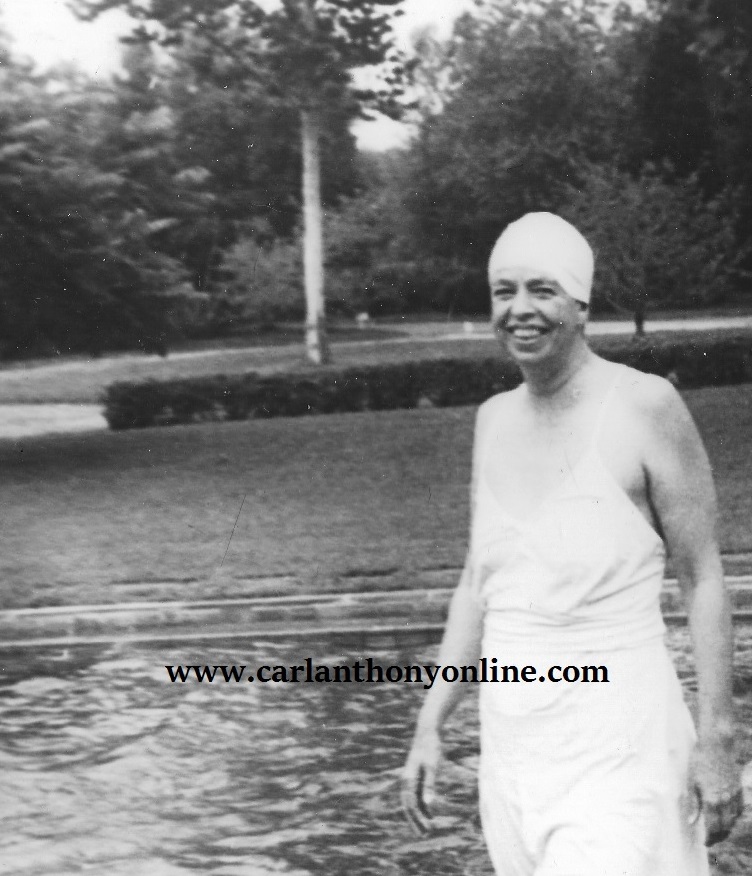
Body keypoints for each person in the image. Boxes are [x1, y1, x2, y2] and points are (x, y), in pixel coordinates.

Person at [401, 212, 743, 874]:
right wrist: (430, 723)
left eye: (542, 289)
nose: (519, 310)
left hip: (621, 746)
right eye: (504, 291)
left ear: (581, 304)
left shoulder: (645, 406)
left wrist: (718, 737)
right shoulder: (492, 420)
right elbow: (479, 588)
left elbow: (702, 577)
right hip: (515, 755)